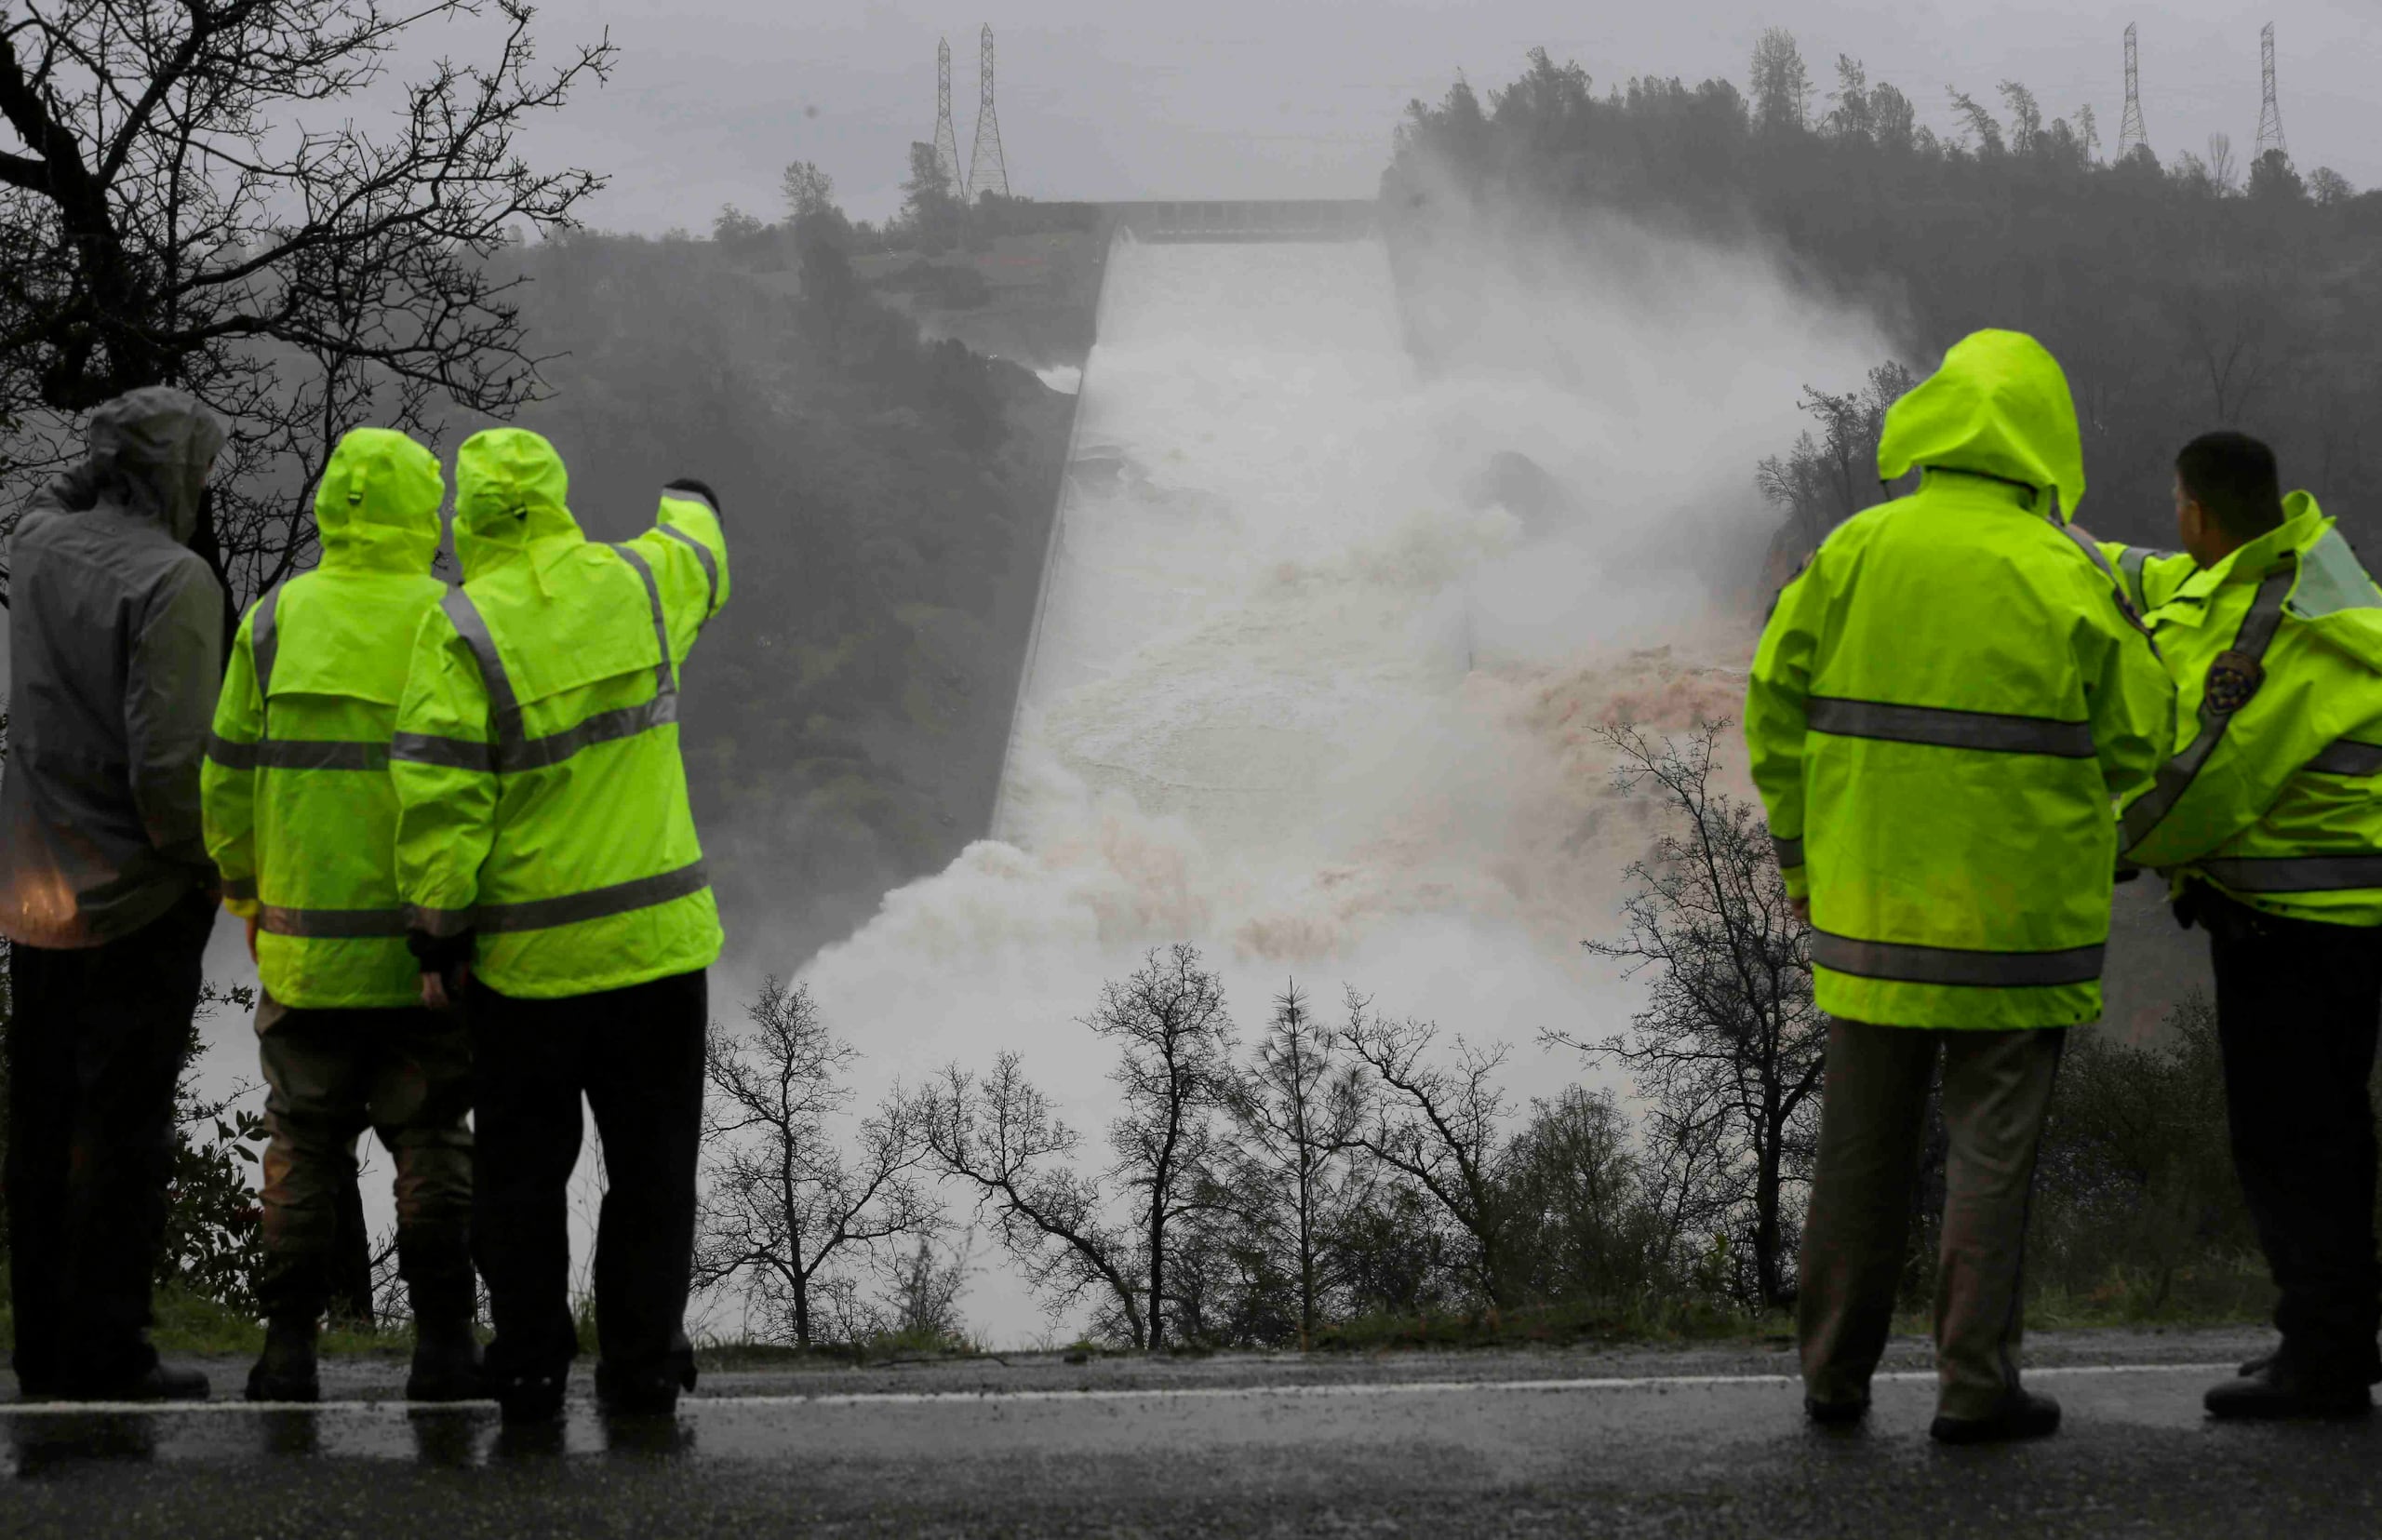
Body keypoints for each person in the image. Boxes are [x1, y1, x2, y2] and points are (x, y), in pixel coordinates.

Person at [1746, 329, 2173, 1443]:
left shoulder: (1852, 549)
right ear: (2044, 441)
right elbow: (2145, 734)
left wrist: (1802, 862)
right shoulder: (2063, 567)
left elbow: (1772, 712)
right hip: (2016, 925)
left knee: (1857, 1152)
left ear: (1930, 425)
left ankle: (1833, 1374)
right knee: (1990, 1159)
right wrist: (2090, 827)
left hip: (1872, 913)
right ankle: (1975, 1385)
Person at [391, 429, 727, 1423]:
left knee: (522, 1176)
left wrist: (439, 935)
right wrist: (686, 486)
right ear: (559, 495)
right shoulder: (640, 582)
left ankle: (533, 1356)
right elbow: (701, 545)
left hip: (528, 965)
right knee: (655, 1169)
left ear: (468, 518)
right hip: (657, 952)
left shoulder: (464, 629)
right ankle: (642, 1363)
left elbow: (441, 797)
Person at [2100, 432, 2382, 1420]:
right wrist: (2063, 542)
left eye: (2176, 505)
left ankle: (2325, 1356)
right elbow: (2161, 576)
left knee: (2292, 1137)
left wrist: (2105, 846)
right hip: (2335, 915)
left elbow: (2201, 786)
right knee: (2329, 1129)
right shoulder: (2301, 563)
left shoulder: (2265, 637)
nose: (2171, 524)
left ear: (2200, 513)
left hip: (2301, 923)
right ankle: (2332, 1329)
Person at [201, 426, 480, 1403]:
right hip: (419, 953)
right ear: (421, 511)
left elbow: (226, 782)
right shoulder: (450, 622)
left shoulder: (275, 623)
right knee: (433, 1135)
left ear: (330, 508)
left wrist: (245, 895)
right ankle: (444, 1344)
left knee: (302, 1144)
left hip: (305, 952)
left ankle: (286, 1347)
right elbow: (473, 788)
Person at [0, 387, 228, 1400]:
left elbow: (40, 503)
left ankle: (42, 1341)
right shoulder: (174, 582)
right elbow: (170, 765)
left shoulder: (39, 548)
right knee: (123, 1127)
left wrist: (91, 468)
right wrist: (203, 862)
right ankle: (109, 1347)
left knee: (42, 1120)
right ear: (177, 476)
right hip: (135, 895)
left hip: (32, 886)